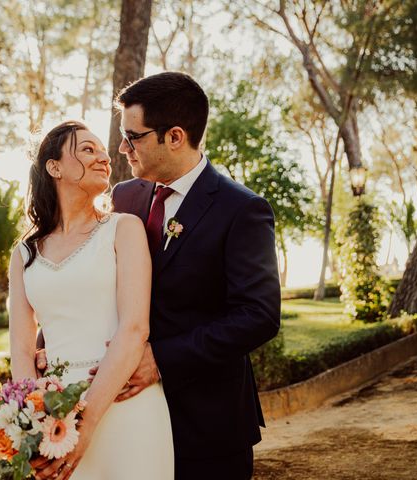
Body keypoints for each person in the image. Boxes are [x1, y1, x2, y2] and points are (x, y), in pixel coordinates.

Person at [105, 71, 281, 479]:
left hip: (209, 425)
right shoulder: (124, 197)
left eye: (134, 137)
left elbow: (259, 315)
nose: (123, 148)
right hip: (128, 420)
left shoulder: (242, 210)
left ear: (175, 136)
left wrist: (161, 361)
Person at [8, 121, 175, 480]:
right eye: (87, 149)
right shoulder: (24, 253)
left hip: (127, 406)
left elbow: (134, 329)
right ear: (54, 167)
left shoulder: (123, 228)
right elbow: (22, 350)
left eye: (102, 150)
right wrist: (32, 419)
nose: (103, 157)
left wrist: (85, 424)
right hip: (55, 418)